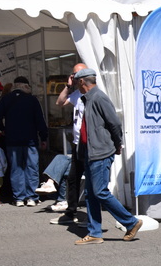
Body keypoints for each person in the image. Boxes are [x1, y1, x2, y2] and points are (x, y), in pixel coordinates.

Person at [73, 69, 143, 245]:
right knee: (91, 194)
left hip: (100, 152)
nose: (75, 86)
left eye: (76, 82)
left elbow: (115, 123)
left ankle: (131, 222)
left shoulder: (98, 97)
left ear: (82, 82)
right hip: (91, 153)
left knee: (100, 192)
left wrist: (118, 144)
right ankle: (94, 233)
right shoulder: (88, 99)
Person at [0, 76, 48, 207]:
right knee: (32, 168)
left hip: (12, 140)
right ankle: (32, 197)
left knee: (16, 169)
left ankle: (19, 198)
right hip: (30, 140)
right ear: (26, 86)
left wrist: (2, 129)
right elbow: (40, 120)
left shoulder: (6, 99)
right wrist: (43, 137)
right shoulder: (32, 100)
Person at [50, 63, 88, 225]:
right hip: (77, 143)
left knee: (91, 181)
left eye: (79, 75)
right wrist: (68, 86)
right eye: (74, 75)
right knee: (73, 179)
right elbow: (60, 103)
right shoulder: (77, 94)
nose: (76, 78)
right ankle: (71, 211)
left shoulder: (92, 94)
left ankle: (92, 217)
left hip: (89, 144)